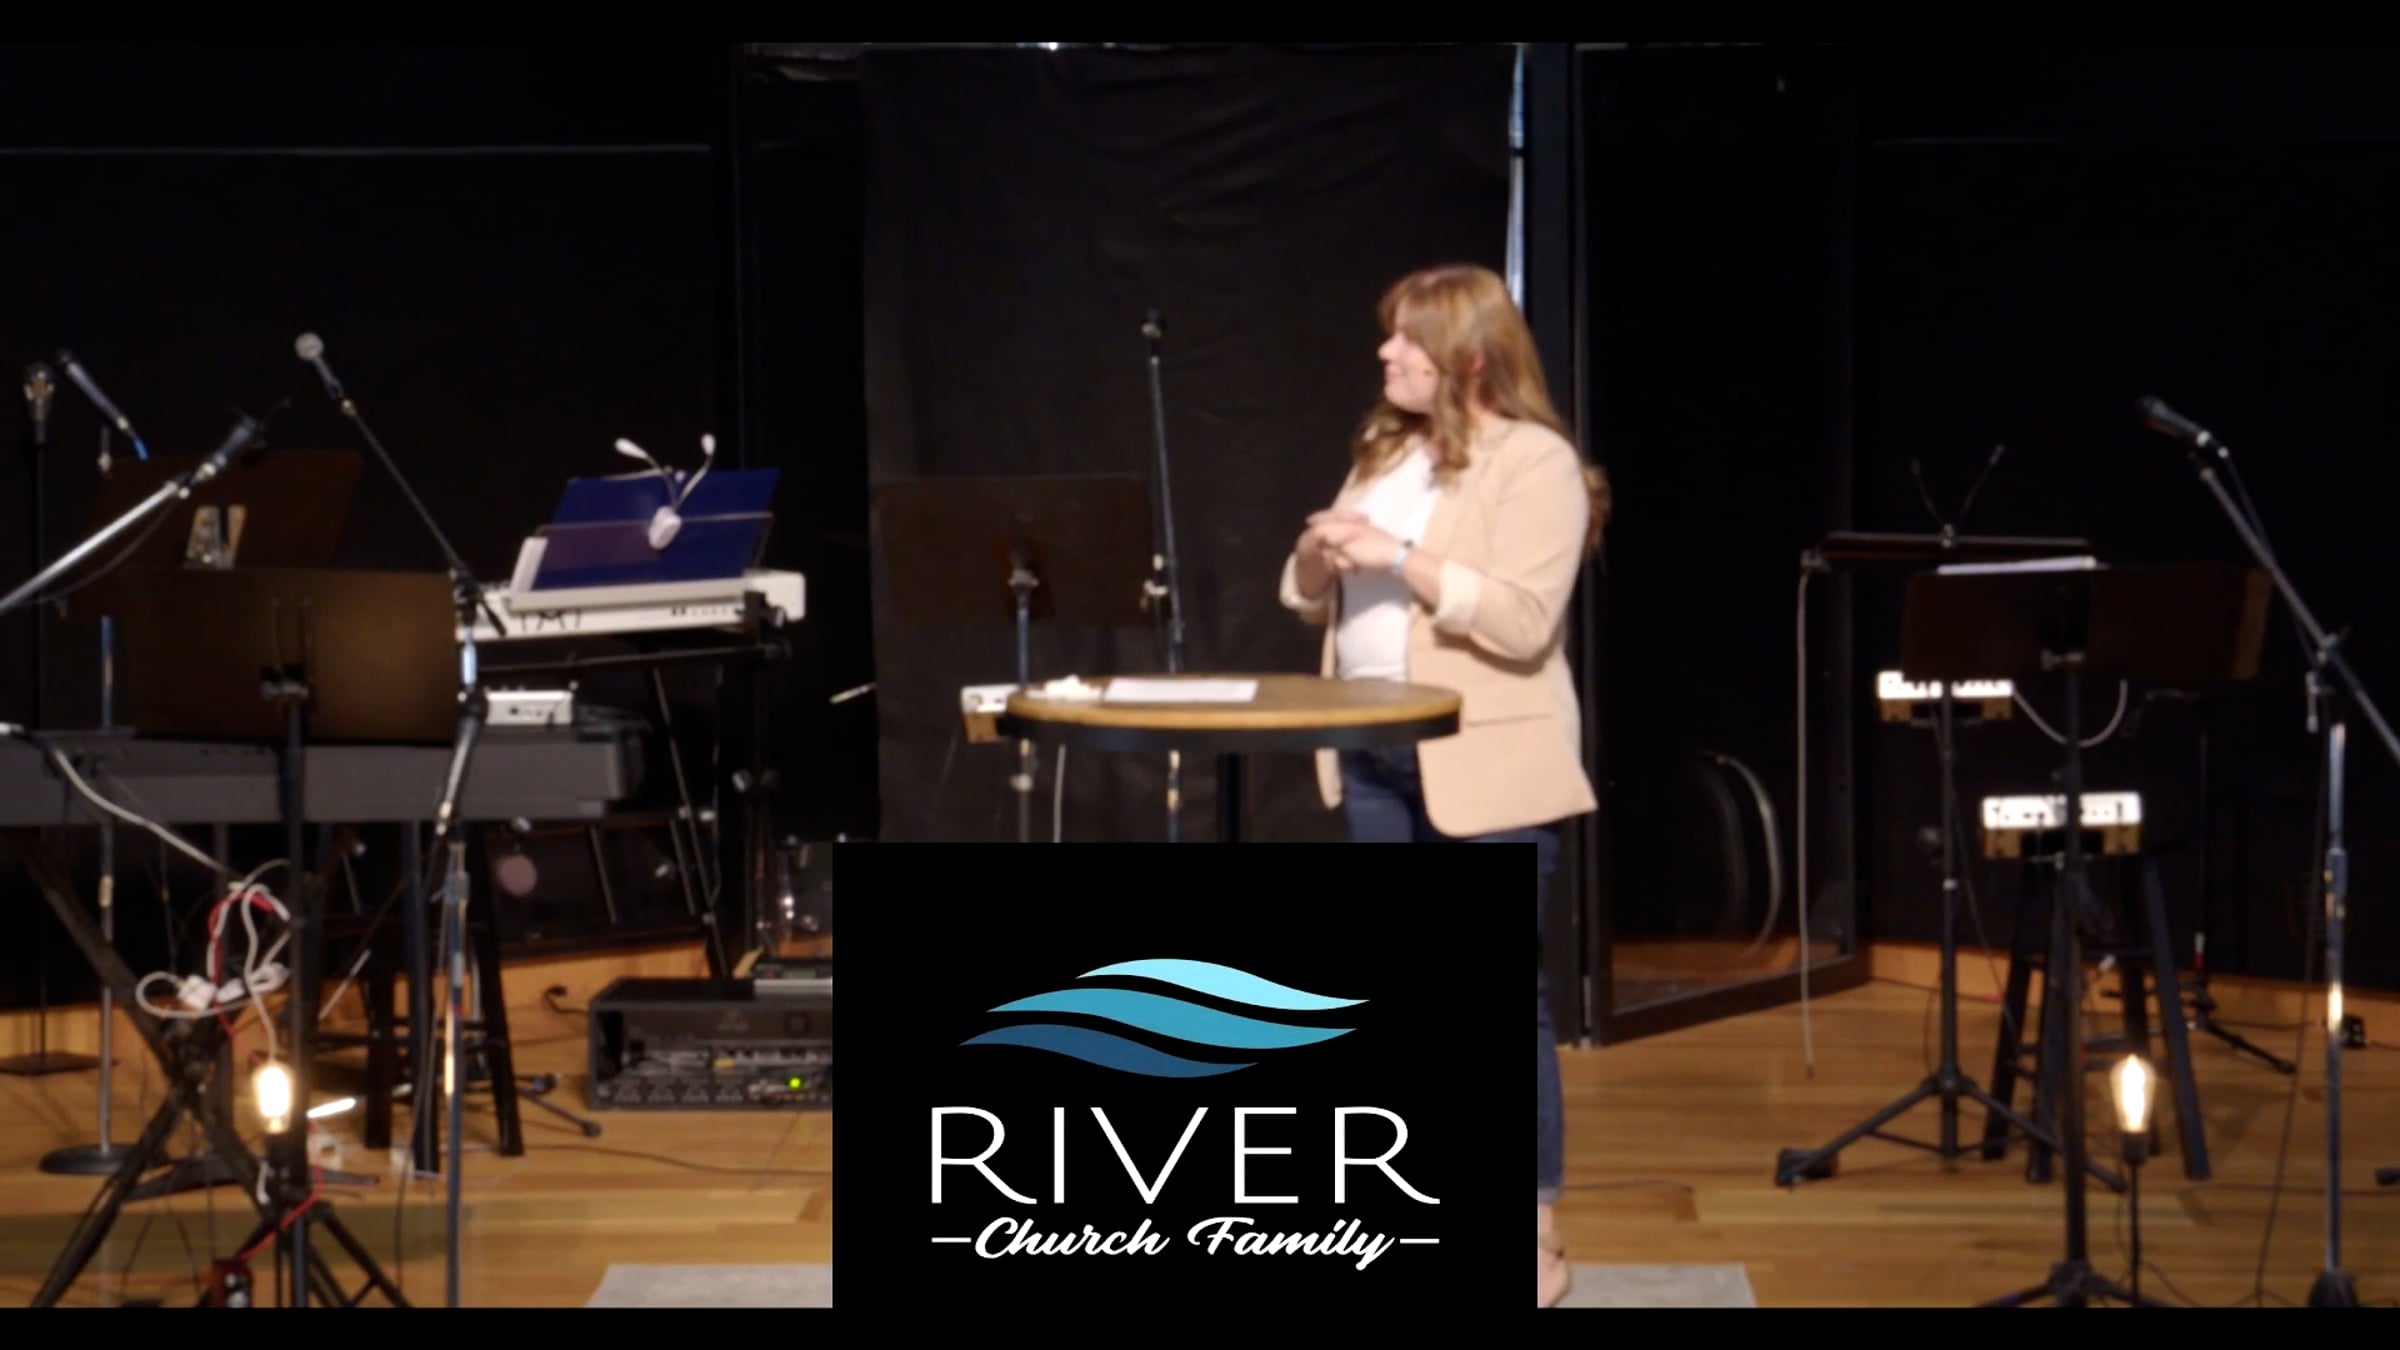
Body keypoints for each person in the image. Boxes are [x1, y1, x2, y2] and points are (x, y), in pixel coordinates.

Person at [1276, 263, 1607, 1309]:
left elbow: (1521, 620)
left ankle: (1533, 1231)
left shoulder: (1535, 462)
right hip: (1373, 754)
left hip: (1484, 760)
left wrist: (1398, 552)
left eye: (1408, 339)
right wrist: (1321, 556)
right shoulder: (1384, 452)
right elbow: (1305, 594)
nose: (1386, 353)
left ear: (1467, 356)